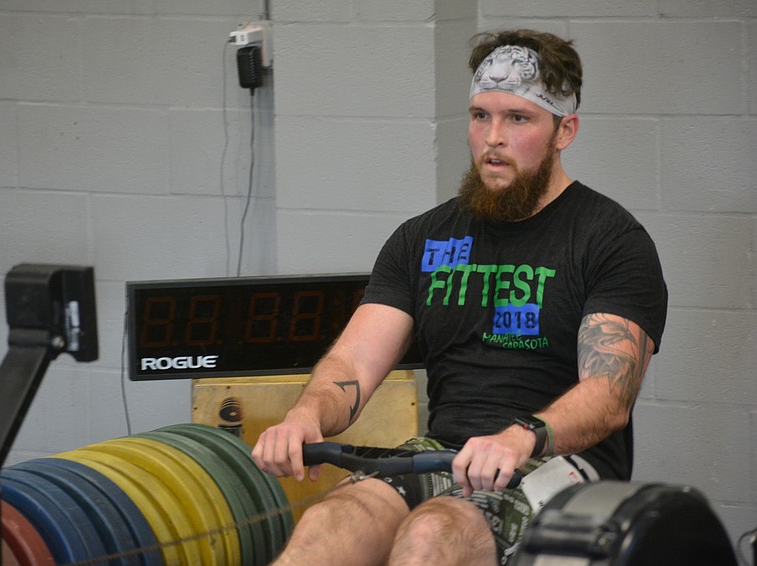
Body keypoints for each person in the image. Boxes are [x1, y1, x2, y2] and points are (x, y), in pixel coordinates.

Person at [251, 28, 667, 566]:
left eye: (518, 118)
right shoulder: (422, 239)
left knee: (431, 536)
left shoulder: (610, 240)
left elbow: (608, 397)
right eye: (480, 116)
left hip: (561, 463)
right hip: (444, 453)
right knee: (330, 520)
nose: (492, 137)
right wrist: (306, 415)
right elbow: (354, 359)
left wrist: (520, 438)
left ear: (565, 131)